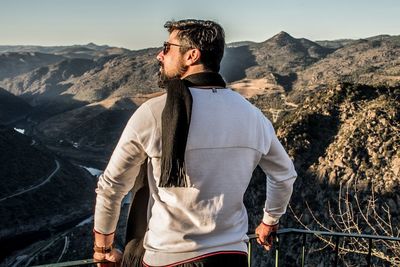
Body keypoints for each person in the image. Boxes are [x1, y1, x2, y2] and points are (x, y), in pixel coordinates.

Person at [93, 19, 297, 267]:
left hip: (168, 257)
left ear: (192, 55)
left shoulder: (153, 113)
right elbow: (284, 175)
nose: (160, 55)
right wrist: (270, 220)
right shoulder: (253, 115)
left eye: (166, 47)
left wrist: (103, 249)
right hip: (232, 256)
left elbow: (112, 186)